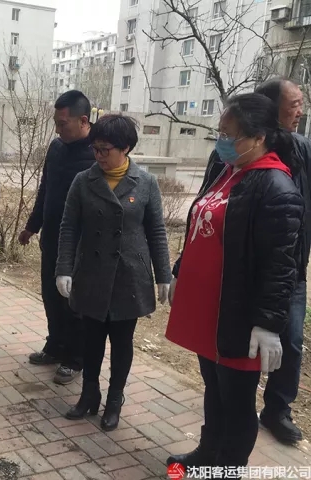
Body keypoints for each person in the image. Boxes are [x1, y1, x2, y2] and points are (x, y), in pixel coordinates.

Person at [165, 93, 304, 471]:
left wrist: (268, 324)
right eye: (220, 132)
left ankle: (228, 468)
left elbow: (280, 265)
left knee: (237, 401)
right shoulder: (228, 170)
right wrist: (181, 270)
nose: (222, 141)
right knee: (214, 387)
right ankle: (208, 453)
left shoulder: (275, 186)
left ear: (259, 138)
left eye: (230, 135)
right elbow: (200, 223)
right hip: (211, 311)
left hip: (239, 314)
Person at [55, 114, 171, 430]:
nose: (99, 156)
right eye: (95, 149)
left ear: (126, 147)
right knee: (91, 339)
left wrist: (163, 274)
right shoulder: (83, 180)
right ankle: (89, 394)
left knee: (122, 341)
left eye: (105, 150)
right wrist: (64, 268)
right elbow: (69, 228)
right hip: (92, 273)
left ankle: (115, 398)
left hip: (128, 276)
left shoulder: (145, 182)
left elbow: (157, 231)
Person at [18, 90, 95, 385]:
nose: (58, 129)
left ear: (83, 121)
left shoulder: (98, 151)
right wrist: (32, 226)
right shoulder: (56, 147)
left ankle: (75, 359)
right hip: (52, 238)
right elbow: (45, 190)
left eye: (63, 124)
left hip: (81, 245)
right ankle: (55, 346)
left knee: (74, 302)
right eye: (56, 123)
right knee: (51, 296)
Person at [252, 78, 310, 445]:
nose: (300, 111)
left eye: (302, 103)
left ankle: (277, 409)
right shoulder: (241, 146)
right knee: (238, 339)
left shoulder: (302, 149)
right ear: (272, 108)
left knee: (291, 341)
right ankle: (233, 407)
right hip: (247, 267)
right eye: (294, 104)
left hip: (291, 267)